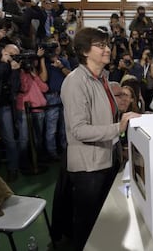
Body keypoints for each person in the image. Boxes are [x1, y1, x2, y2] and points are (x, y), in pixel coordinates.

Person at [60, 27, 140, 250]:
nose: (108, 49)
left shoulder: (103, 78)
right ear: (85, 51)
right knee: (87, 227)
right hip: (88, 168)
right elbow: (79, 130)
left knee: (102, 223)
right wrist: (118, 127)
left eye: (107, 44)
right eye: (101, 45)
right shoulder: (76, 82)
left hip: (106, 159)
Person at [0, 44, 21, 181]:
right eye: (10, 53)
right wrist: (4, 64)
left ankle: (12, 169)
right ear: (3, 52)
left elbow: (15, 88)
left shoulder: (12, 66)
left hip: (5, 107)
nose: (12, 57)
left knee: (9, 139)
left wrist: (14, 71)